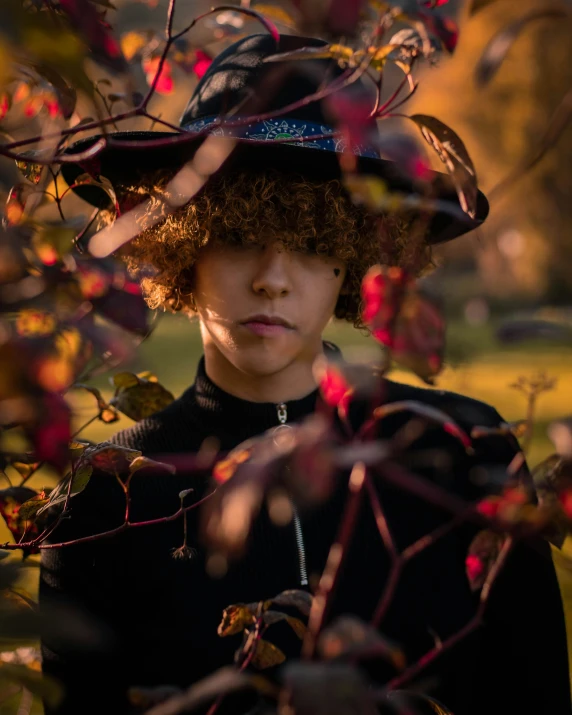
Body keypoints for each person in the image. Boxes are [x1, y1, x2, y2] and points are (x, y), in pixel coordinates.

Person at [39, 33, 571, 715]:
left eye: (312, 244)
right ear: (187, 245)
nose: (271, 280)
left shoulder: (465, 461)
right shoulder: (103, 503)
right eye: (238, 237)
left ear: (349, 258)